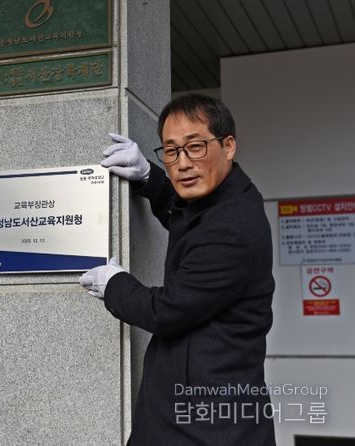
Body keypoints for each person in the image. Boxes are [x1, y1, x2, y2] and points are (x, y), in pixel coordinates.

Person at [80, 94, 275, 445]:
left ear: (228, 146)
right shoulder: (224, 197)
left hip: (209, 425)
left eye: (195, 147)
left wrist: (114, 285)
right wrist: (148, 176)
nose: (183, 163)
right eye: (171, 151)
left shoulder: (234, 226)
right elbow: (187, 216)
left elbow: (168, 310)